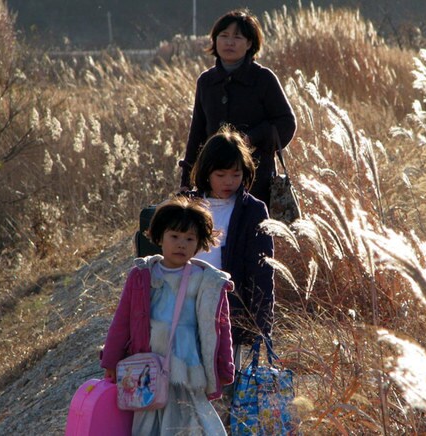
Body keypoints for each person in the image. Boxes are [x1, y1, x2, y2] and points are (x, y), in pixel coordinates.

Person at [100, 196, 235, 435]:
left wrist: (224, 367)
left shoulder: (206, 281)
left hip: (188, 366)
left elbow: (219, 327)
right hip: (148, 366)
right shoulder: (143, 276)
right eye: (174, 236)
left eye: (190, 239)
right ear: (159, 236)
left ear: (200, 243)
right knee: (149, 422)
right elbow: (122, 321)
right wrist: (111, 361)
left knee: (191, 422)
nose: (181, 244)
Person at [179, 9, 297, 207]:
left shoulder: (263, 79)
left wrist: (250, 138)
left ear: (250, 43)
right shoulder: (206, 81)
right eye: (223, 36)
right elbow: (197, 133)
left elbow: (286, 122)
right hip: (212, 180)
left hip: (256, 180)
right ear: (215, 41)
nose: (229, 42)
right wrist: (185, 182)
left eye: (237, 37)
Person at [188, 125, 274, 367]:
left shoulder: (252, 210)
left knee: (225, 373)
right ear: (206, 172)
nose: (229, 182)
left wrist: (262, 321)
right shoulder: (188, 205)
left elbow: (262, 269)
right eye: (221, 174)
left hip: (227, 308)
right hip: (186, 303)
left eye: (236, 175)